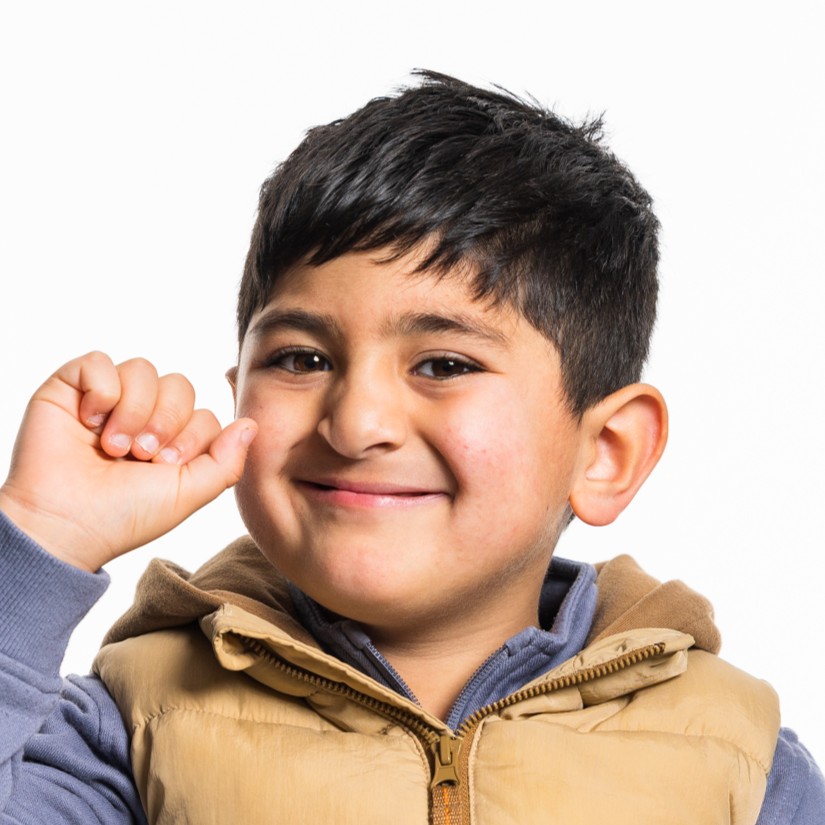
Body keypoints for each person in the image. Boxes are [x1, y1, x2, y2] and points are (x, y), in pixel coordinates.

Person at [0, 70, 821, 823]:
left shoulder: (739, 760)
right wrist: (41, 536)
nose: (356, 423)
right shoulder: (132, 726)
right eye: (301, 359)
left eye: (443, 364)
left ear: (605, 450)